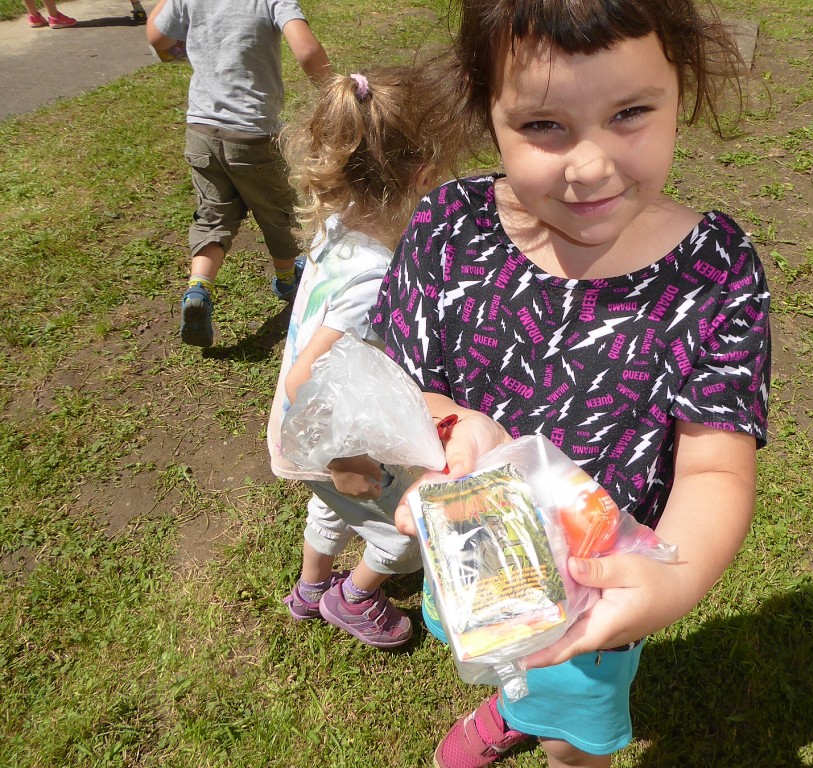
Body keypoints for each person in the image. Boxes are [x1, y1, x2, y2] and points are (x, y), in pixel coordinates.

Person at [369, 0, 770, 765]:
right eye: (543, 125)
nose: (589, 166)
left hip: (604, 592)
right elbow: (396, 390)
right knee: (506, 661)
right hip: (478, 565)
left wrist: (668, 585)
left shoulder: (715, 273)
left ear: (680, 87)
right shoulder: (450, 231)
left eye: (629, 113)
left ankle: (548, 731)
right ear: (486, 110)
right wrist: (446, 423)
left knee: (572, 740)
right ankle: (512, 705)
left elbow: (715, 469)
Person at [266, 64, 467, 648]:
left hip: (301, 431)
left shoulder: (338, 226)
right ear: (422, 177)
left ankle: (310, 588)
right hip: (331, 435)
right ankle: (353, 597)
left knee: (331, 508)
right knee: (405, 532)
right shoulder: (374, 277)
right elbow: (306, 377)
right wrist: (347, 460)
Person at [146, 0, 331, 348]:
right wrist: (334, 91)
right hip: (253, 136)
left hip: (201, 132)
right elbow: (306, 51)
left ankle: (198, 288)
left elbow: (158, 38)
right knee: (277, 214)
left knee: (213, 214)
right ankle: (287, 280)